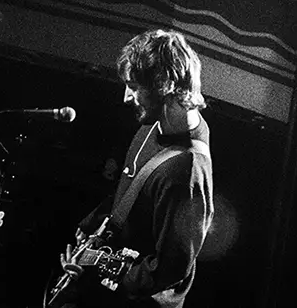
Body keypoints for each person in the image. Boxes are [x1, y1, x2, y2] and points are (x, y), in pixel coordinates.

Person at [59, 29, 214, 307]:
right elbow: (129, 191)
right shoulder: (152, 126)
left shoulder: (186, 171)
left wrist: (107, 277)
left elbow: (171, 269)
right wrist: (91, 228)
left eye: (134, 86)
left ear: (164, 84)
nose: (126, 97)